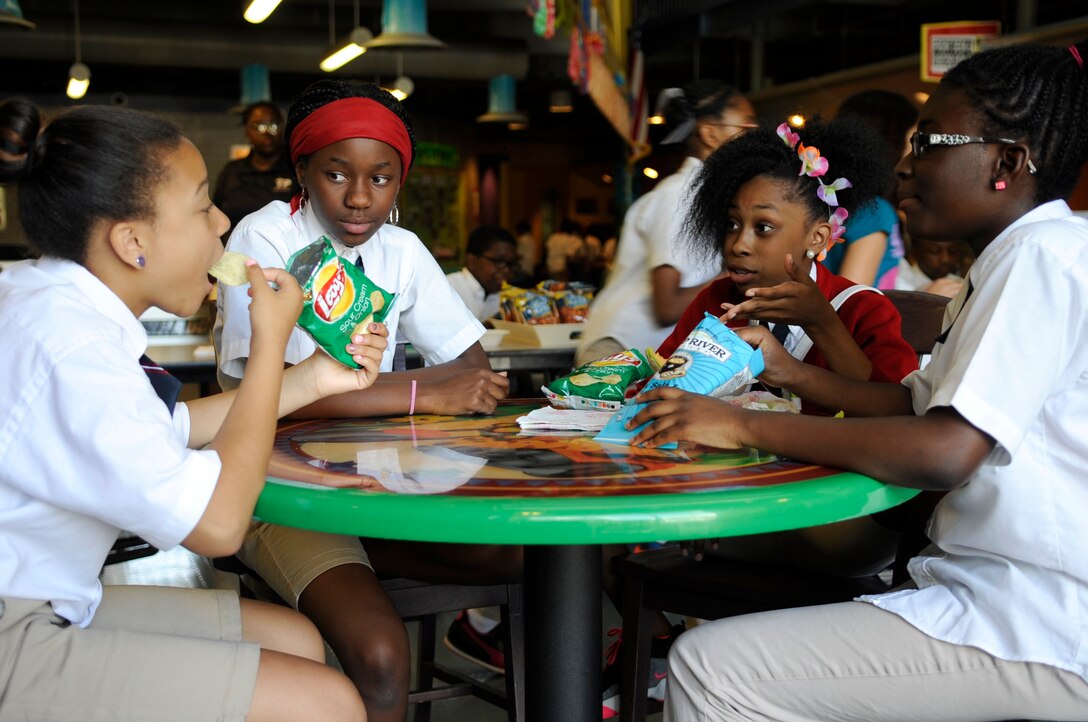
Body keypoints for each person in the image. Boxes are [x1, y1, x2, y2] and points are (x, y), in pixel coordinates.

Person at [630, 40, 1088, 722]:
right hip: (999, 596)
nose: (905, 166)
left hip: (1035, 617)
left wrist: (740, 423)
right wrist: (783, 372)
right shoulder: (1014, 260)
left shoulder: (1042, 257)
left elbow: (944, 450)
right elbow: (912, 402)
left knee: (710, 670)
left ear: (1007, 162)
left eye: (929, 142)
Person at [0, 99, 389, 721]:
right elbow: (217, 526)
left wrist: (313, 378)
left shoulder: (50, 300)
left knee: (296, 639)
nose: (222, 222)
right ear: (132, 243)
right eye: (203, 205)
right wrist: (268, 347)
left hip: (51, 595)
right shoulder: (72, 348)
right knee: (330, 703)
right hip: (15, 631)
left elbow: (171, 430)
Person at [214, 79, 517, 721]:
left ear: (400, 182)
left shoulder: (400, 250)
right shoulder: (264, 237)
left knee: (520, 556)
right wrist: (426, 391)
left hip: (383, 487)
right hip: (283, 491)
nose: (358, 198)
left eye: (380, 179)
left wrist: (437, 389)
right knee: (382, 654)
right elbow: (281, 400)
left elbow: (475, 369)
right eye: (335, 175)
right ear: (301, 170)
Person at [599, 115, 919, 719]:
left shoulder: (860, 308)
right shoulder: (717, 300)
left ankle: (688, 660)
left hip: (839, 523)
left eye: (763, 228)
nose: (739, 242)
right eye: (732, 224)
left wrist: (821, 321)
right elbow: (668, 381)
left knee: (635, 536)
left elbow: (890, 410)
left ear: (819, 240)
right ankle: (664, 649)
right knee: (597, 534)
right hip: (741, 513)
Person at [575, 80, 756, 368]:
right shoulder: (682, 194)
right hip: (620, 351)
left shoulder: (709, 194)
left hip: (648, 351)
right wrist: (736, 274)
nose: (754, 139)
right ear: (709, 133)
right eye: (746, 128)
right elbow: (667, 306)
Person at [824, 90, 917, 287]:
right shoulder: (875, 211)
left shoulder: (832, 202)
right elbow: (849, 302)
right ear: (891, 144)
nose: (915, 153)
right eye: (912, 140)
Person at [212, 101, 299, 239]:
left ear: (282, 129)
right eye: (258, 126)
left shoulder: (296, 170)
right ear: (247, 131)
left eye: (273, 125)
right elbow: (214, 215)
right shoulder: (232, 171)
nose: (266, 132)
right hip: (233, 255)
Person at [446, 224, 518, 322]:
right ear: (472, 261)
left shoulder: (501, 296)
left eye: (510, 264)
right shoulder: (449, 288)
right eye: (499, 261)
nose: (506, 270)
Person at [894, 235, 964, 297]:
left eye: (952, 251)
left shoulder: (962, 285)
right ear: (915, 253)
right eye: (935, 251)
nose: (945, 259)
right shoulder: (900, 285)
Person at [513, 218, 537, 284]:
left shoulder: (522, 239)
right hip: (530, 269)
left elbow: (518, 254)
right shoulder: (531, 240)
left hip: (522, 269)